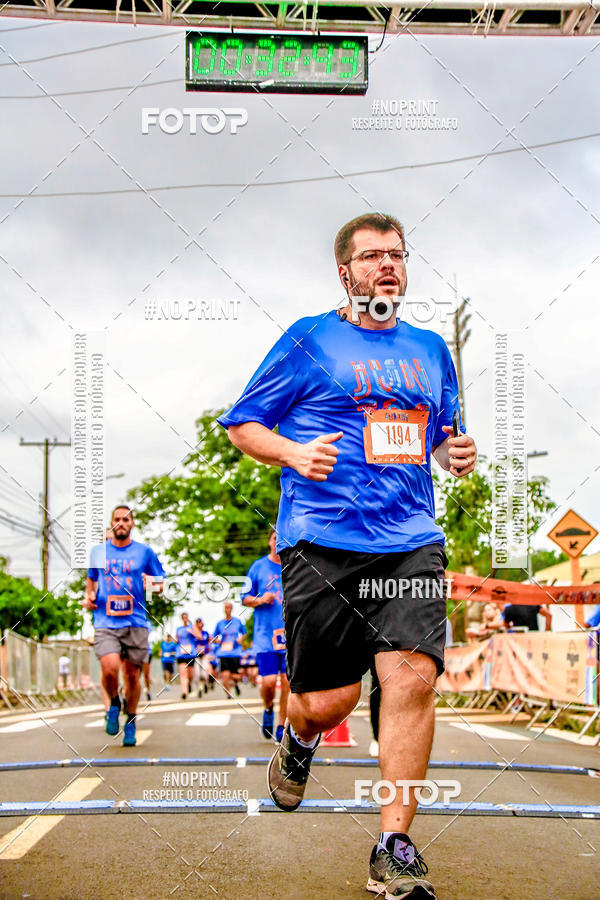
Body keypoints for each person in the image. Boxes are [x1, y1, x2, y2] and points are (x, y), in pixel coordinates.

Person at [218, 212, 477, 899]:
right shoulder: (310, 340)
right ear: (345, 272)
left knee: (414, 679)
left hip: (410, 541)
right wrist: (294, 452)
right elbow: (243, 423)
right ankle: (299, 739)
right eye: (371, 257)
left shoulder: (429, 349)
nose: (387, 266)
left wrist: (454, 454)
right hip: (323, 540)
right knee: (328, 701)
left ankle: (395, 844)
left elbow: (438, 436)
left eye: (396, 255)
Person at [84, 505, 165, 746]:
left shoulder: (144, 552)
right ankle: (114, 703)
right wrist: (89, 597)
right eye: (117, 519)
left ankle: (130, 719)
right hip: (105, 621)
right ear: (112, 524)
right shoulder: (99, 551)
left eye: (126, 519)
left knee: (131, 676)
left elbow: (161, 583)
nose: (121, 523)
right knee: (109, 668)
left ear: (132, 524)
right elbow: (91, 580)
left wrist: (152, 582)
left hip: (136, 622)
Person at [242, 530, 289, 742]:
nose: (278, 542)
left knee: (288, 682)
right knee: (269, 682)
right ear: (269, 542)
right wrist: (261, 599)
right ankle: (268, 708)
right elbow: (244, 598)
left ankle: (282, 726)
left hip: (290, 635)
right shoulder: (257, 567)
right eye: (274, 538)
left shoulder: (294, 565)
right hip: (265, 635)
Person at [212, 601, 246, 698]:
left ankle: (235, 683)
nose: (227, 609)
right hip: (223, 653)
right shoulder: (220, 624)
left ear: (232, 609)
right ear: (224, 609)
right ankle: (228, 694)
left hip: (235, 653)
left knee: (235, 675)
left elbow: (244, 633)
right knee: (225, 675)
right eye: (225, 608)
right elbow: (214, 637)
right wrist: (218, 641)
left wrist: (240, 639)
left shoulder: (237, 621)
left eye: (229, 607)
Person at [176, 612, 199, 700]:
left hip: (191, 654)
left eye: (186, 617)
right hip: (181, 653)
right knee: (183, 674)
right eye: (183, 617)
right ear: (182, 618)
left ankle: (189, 684)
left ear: (188, 618)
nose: (185, 618)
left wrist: (192, 632)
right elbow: (177, 640)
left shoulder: (192, 627)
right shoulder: (179, 629)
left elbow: (199, 636)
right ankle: (184, 692)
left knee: (190, 675)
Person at [194, 617, 212, 696]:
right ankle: (200, 689)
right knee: (197, 673)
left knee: (204, 673)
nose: (199, 624)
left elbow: (209, 642)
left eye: (200, 622)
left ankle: (205, 683)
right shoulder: (193, 634)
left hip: (205, 655)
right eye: (197, 623)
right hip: (196, 655)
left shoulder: (205, 633)